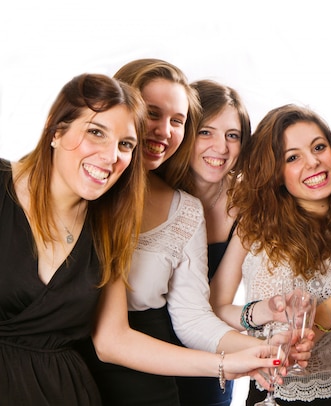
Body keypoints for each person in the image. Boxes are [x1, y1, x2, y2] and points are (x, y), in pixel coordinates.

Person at [0, 73, 280, 406]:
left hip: (67, 388)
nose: (110, 156)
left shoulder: (110, 222)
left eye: (125, 145)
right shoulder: (16, 186)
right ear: (56, 130)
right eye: (96, 133)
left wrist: (237, 359)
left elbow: (118, 337)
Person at [77, 59, 296, 406]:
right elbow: (108, 338)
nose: (164, 131)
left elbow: (196, 313)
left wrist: (261, 351)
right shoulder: (84, 186)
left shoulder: (188, 208)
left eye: (176, 121)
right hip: (71, 371)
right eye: (153, 114)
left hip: (175, 362)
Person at [210, 104, 331, 406]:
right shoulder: (256, 228)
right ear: (275, 172)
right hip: (279, 395)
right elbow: (216, 308)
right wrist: (257, 323)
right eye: (293, 157)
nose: (313, 162)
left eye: (319, 147)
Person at [174, 78, 253, 406]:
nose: (221, 148)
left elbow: (215, 304)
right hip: (145, 350)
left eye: (232, 135)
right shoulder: (155, 195)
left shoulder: (247, 203)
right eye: (206, 131)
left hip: (213, 348)